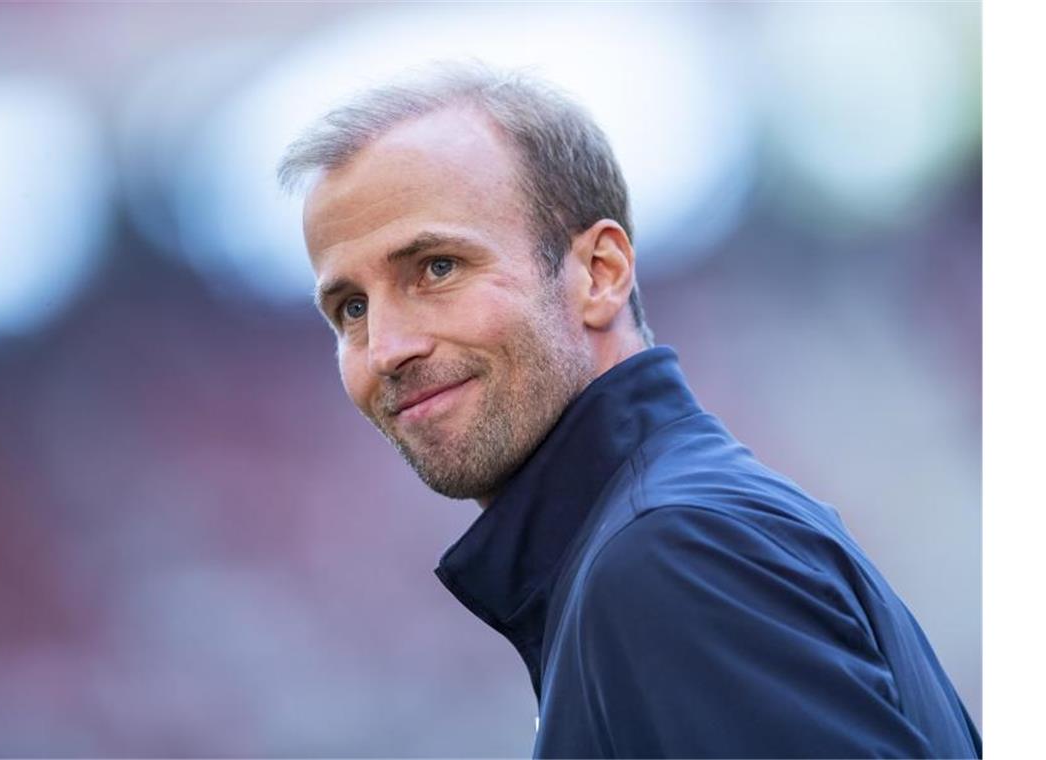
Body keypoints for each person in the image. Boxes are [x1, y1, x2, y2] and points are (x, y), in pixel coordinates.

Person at [277, 63, 981, 758]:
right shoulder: (661, 536)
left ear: (599, 273)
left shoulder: (671, 555)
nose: (386, 349)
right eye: (352, 308)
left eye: (437, 268)